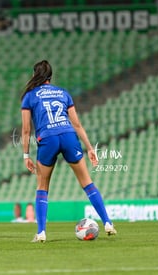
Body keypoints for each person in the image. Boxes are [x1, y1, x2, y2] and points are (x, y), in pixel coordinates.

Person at [21, 60, 117, 242]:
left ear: (35, 75)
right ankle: (108, 223)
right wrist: (89, 148)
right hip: (68, 135)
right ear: (50, 76)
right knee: (87, 183)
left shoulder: (30, 96)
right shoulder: (63, 93)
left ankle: (41, 232)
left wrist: (26, 155)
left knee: (42, 187)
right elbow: (77, 124)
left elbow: (26, 130)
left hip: (48, 139)